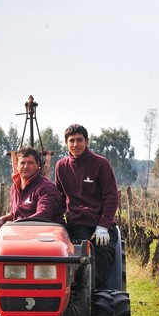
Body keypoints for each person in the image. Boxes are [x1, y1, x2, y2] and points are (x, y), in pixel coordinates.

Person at [55, 124, 119, 290]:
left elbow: (111, 197)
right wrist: (57, 222)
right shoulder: (61, 166)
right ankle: (76, 295)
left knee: (102, 255)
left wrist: (103, 226)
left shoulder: (101, 164)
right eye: (72, 141)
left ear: (87, 141)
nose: (76, 144)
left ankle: (99, 296)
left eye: (79, 140)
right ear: (66, 143)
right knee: (79, 259)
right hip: (78, 223)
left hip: (101, 223)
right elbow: (59, 197)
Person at [0, 146, 65, 234]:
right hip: (21, 234)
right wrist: (1, 219)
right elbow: (15, 213)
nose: (26, 166)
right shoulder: (14, 188)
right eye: (22, 163)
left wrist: (16, 225)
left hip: (47, 235)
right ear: (16, 165)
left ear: (37, 165)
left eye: (30, 163)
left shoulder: (46, 188)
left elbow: (43, 215)